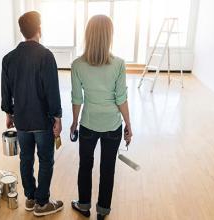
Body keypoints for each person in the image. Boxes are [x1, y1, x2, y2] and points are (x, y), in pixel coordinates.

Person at [1, 11, 63, 217]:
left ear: (21, 31)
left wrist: (9, 114)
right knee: (45, 160)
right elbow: (52, 91)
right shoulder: (46, 56)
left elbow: (6, 91)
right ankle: (42, 203)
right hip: (43, 121)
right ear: (39, 29)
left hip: (22, 120)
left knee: (25, 159)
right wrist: (58, 118)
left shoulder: (8, 59)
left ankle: (30, 198)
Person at [70, 15, 133, 220]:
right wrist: (128, 124)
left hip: (88, 124)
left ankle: (84, 205)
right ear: (109, 36)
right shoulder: (119, 64)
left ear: (88, 36)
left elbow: (77, 98)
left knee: (85, 166)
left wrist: (73, 122)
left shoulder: (77, 64)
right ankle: (103, 211)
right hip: (112, 126)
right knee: (108, 169)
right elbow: (121, 98)